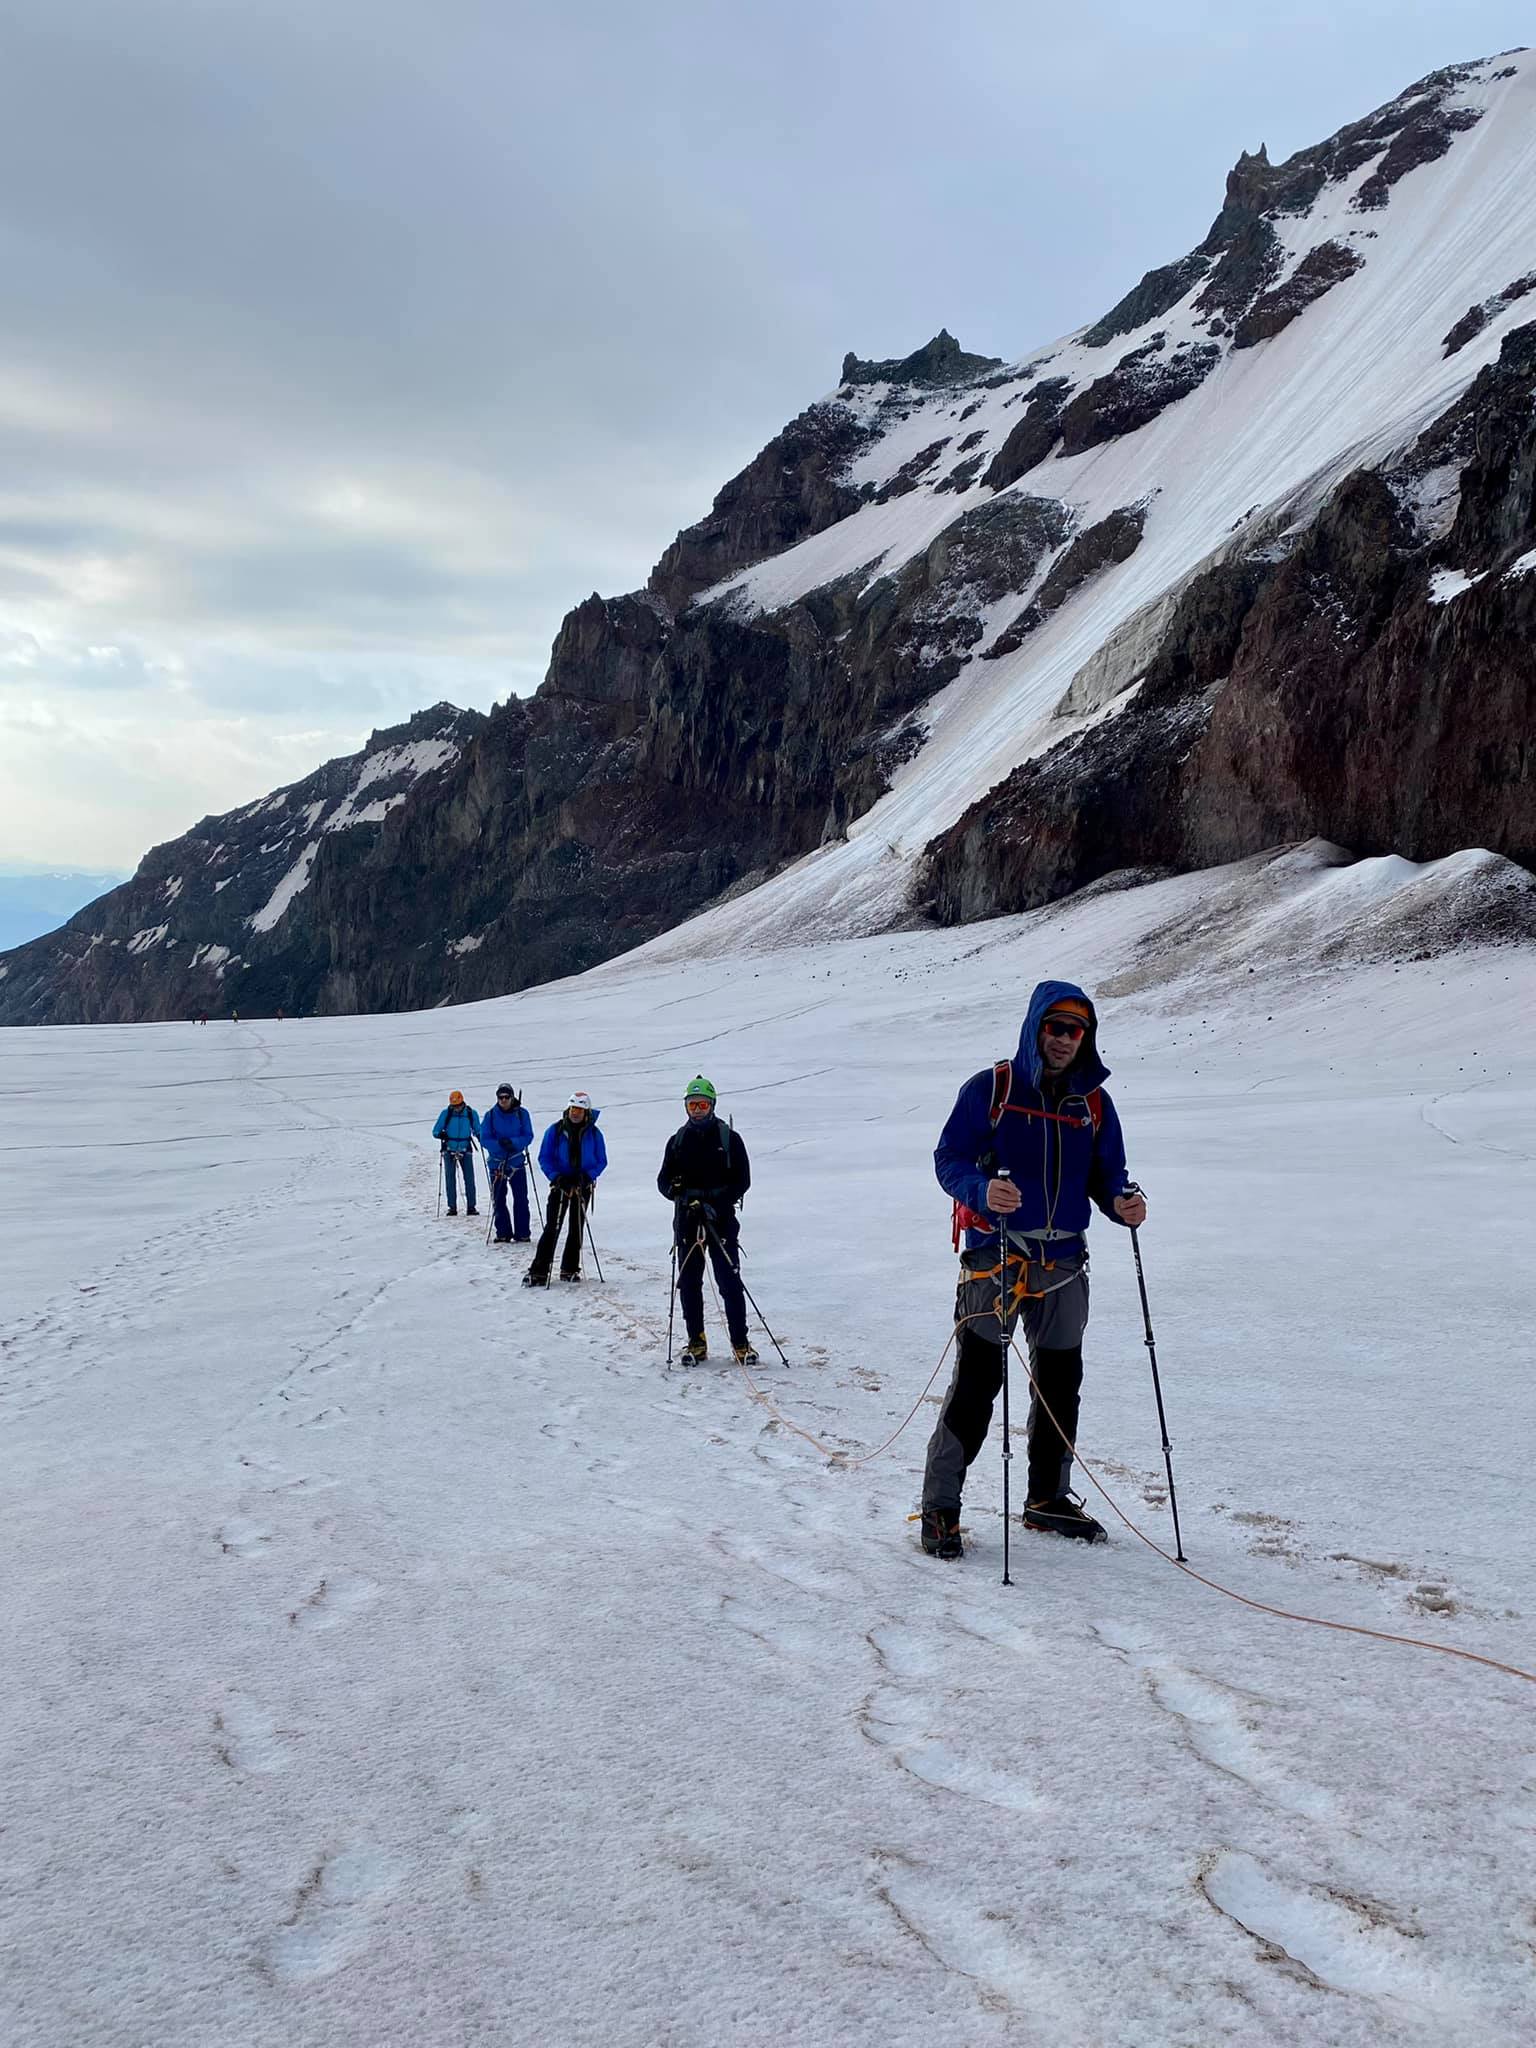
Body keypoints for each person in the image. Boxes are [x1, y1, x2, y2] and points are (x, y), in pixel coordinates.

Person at [919, 981, 1147, 1559]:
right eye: (1056, 1026)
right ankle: (941, 1508)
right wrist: (979, 1188)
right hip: (994, 1257)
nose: (1066, 1039)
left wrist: (1122, 1204)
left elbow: (1107, 1174)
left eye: (1077, 1030)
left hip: (1065, 1260)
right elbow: (949, 1157)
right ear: (1035, 1027)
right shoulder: (991, 1088)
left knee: (1060, 1383)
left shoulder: (1093, 1102)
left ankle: (1047, 1498)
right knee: (976, 1383)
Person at [657, 1077, 756, 1364]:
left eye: (702, 1104)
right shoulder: (677, 1141)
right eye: (692, 1104)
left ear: (712, 1105)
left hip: (721, 1220)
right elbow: (663, 1180)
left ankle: (740, 1343)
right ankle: (696, 1342)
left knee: (729, 1282)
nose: (697, 1109)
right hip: (687, 1220)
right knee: (689, 1282)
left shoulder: (729, 1139)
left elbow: (742, 1180)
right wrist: (676, 1192)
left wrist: (716, 1203)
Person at [524, 1091, 607, 1285]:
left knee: (576, 1228)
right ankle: (539, 1272)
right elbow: (544, 1158)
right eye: (573, 1108)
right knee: (552, 1227)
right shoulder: (555, 1130)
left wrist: (587, 1177)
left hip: (582, 1185)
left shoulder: (595, 1134)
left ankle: (569, 1269)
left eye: (579, 1109)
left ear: (586, 1112)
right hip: (560, 1185)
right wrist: (557, 1177)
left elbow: (601, 1160)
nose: (575, 1113)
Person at [481, 1083, 535, 1243]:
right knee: (498, 1198)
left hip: (516, 1162)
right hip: (497, 1163)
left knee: (521, 1198)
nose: (503, 1100)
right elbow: (484, 1138)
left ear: (512, 1097)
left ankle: (523, 1233)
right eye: (500, 1097)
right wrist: (500, 1145)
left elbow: (528, 1135)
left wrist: (513, 1142)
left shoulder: (522, 1114)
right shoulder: (490, 1115)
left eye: (506, 1097)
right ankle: (503, 1232)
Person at [432, 1089, 482, 1217]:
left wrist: (481, 1137)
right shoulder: (446, 1113)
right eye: (454, 1106)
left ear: (463, 1102)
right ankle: (452, 1208)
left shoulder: (471, 1113)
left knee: (469, 1179)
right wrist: (440, 1134)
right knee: (450, 1179)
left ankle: (471, 1207)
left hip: (466, 1148)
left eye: (458, 1105)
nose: (457, 1108)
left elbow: (478, 1129)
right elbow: (435, 1131)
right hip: (449, 1149)